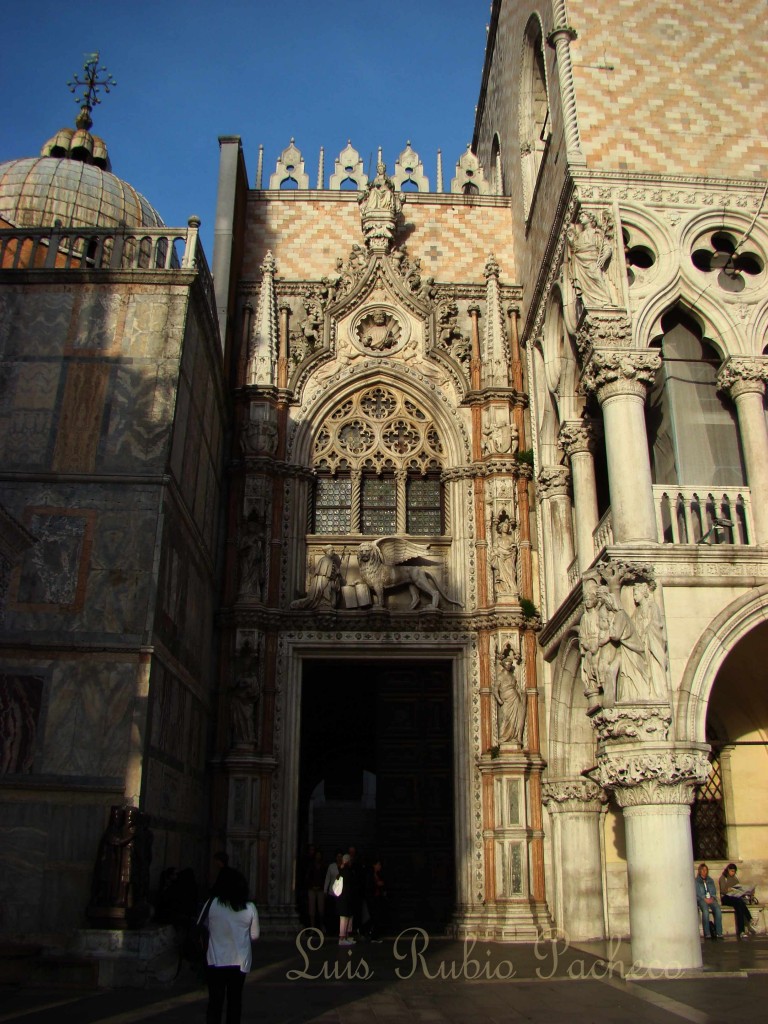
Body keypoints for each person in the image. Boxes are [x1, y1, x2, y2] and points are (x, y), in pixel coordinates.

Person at [200, 866, 259, 1024]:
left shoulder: (211, 904)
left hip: (215, 960)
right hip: (239, 962)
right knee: (235, 1000)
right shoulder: (250, 907)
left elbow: (202, 926)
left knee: (215, 1001)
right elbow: (254, 935)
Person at [719, 863, 757, 939]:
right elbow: (723, 890)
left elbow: (738, 887)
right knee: (739, 902)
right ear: (728, 870)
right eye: (732, 871)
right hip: (726, 897)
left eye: (734, 871)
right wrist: (729, 889)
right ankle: (750, 919)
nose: (733, 873)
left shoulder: (735, 878)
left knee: (739, 906)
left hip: (735, 897)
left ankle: (742, 931)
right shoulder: (723, 878)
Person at [695, 863, 723, 939]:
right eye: (703, 870)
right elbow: (698, 893)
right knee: (705, 911)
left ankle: (719, 932)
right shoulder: (696, 881)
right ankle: (707, 933)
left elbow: (713, 891)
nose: (704, 871)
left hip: (711, 898)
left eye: (705, 870)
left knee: (717, 910)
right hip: (702, 899)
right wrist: (704, 899)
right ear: (700, 871)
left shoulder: (710, 880)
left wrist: (712, 898)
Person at [336, 853, 357, 946]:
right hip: (345, 896)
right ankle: (342, 937)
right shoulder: (346, 870)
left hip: (345, 896)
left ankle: (346, 936)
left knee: (347, 916)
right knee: (345, 917)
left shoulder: (341, 870)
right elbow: (350, 881)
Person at [305, 848, 326, 930]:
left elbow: (325, 877)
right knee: (312, 909)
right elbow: (308, 877)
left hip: (320, 889)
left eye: (319, 855)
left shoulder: (323, 866)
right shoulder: (311, 865)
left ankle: (321, 925)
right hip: (312, 889)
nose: (318, 857)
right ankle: (312, 926)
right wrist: (311, 886)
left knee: (321, 909)